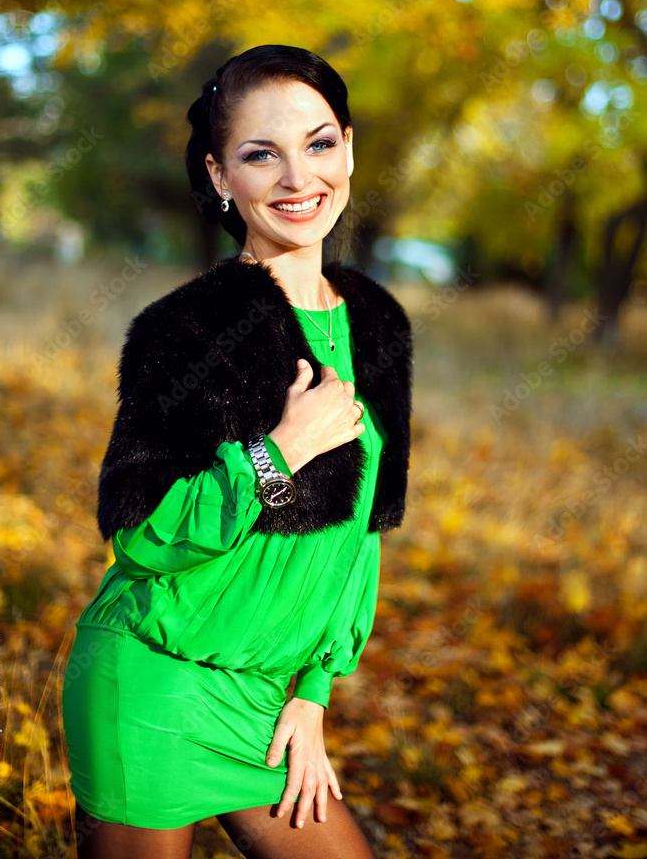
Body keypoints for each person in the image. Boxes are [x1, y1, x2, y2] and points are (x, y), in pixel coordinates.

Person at [61, 44, 413, 859]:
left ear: (349, 149)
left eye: (319, 144)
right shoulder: (183, 333)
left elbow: (360, 540)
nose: (299, 179)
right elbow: (142, 536)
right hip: (154, 678)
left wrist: (314, 694)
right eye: (263, 155)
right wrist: (278, 452)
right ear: (221, 177)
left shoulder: (379, 324)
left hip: (270, 701)